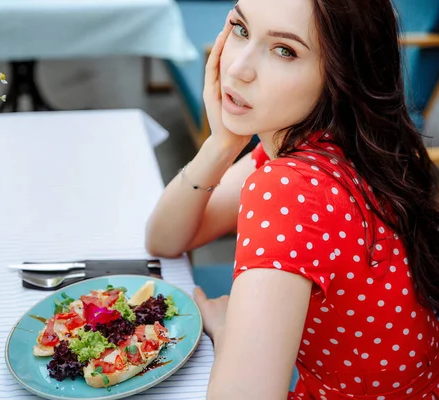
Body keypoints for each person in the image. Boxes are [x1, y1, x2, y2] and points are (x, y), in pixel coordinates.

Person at [145, 0, 439, 398]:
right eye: (241, 29)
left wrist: (230, 332)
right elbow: (165, 238)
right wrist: (221, 145)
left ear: (340, 73)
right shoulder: (335, 142)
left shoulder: (293, 188)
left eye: (285, 51)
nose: (237, 69)